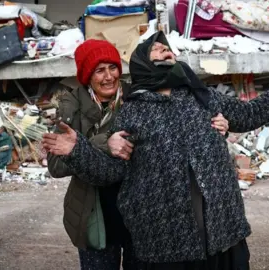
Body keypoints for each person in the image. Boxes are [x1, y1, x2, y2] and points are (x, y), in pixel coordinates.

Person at [47, 37, 233, 270]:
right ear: (87, 76)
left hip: (142, 210)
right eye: (99, 71)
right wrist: (102, 142)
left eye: (113, 68)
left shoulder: (138, 93)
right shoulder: (70, 107)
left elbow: (180, 127)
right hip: (97, 212)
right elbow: (55, 165)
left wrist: (216, 126)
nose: (108, 77)